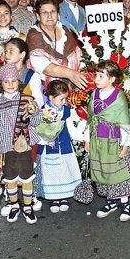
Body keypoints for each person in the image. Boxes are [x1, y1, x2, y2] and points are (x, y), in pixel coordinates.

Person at [84, 60, 130, 222]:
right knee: (103, 171)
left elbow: (124, 123)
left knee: (118, 173)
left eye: (101, 76)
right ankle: (111, 201)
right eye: (96, 75)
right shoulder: (94, 94)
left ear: (112, 79)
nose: (96, 79)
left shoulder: (118, 97)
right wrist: (87, 139)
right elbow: (91, 119)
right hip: (98, 141)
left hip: (114, 140)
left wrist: (125, 145)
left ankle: (125, 203)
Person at [0, 65, 43, 224]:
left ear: (19, 82)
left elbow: (37, 122)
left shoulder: (27, 100)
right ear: (0, 84)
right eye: (6, 81)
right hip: (6, 148)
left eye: (14, 81)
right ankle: (13, 205)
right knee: (9, 179)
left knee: (26, 179)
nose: (10, 84)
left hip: (24, 147)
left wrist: (34, 112)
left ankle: (27, 206)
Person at [36, 80, 84, 213]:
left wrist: (81, 137)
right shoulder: (42, 111)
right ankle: (53, 198)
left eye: (65, 99)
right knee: (50, 173)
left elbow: (71, 127)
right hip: (47, 148)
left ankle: (64, 197)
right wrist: (45, 140)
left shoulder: (67, 110)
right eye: (61, 99)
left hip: (64, 146)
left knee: (65, 170)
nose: (64, 102)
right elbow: (35, 130)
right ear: (51, 97)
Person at [26, 0, 87, 91]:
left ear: (58, 14)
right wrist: (70, 74)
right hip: (47, 88)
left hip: (74, 82)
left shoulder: (64, 30)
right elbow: (42, 65)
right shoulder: (34, 35)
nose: (49, 16)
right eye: (44, 12)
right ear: (38, 16)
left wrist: (82, 72)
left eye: (53, 11)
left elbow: (78, 54)